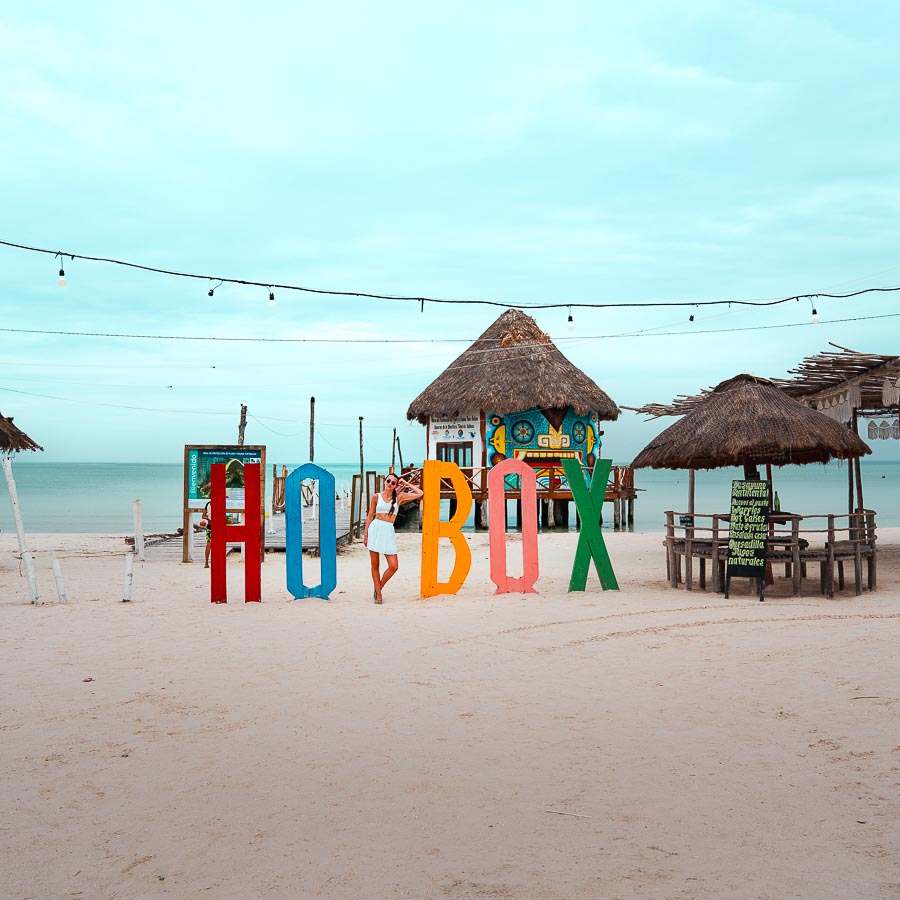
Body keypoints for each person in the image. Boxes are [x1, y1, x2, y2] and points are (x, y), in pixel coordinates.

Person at [364, 473, 423, 604]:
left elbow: (420, 493)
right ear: (385, 481)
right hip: (375, 529)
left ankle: (379, 586)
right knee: (375, 564)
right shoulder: (376, 497)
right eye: (388, 481)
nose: (390, 484)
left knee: (394, 566)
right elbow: (370, 516)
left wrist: (406, 483)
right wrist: (366, 534)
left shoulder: (399, 497)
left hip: (388, 531)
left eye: (393, 483)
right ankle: (379, 595)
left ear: (396, 485)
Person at [201, 502, 212, 568]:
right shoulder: (208, 504)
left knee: (209, 544)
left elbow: (203, 516)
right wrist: (208, 518)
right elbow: (203, 516)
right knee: (209, 544)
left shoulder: (208, 504)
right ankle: (206, 562)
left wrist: (207, 518)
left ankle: (206, 562)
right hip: (210, 527)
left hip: (212, 526)